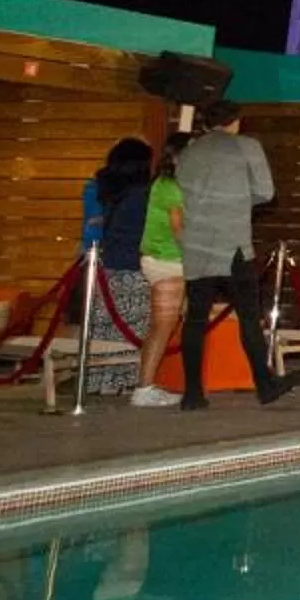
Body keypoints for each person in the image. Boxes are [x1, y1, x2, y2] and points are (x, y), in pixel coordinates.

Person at [172, 102, 300, 410]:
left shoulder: (190, 151)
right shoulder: (246, 147)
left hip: (196, 243)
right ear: (236, 122)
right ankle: (265, 383)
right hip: (233, 244)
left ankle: (192, 393)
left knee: (195, 318)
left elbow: (181, 189)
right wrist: (237, 199)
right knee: (248, 315)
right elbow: (265, 192)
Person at [88, 141, 155, 399]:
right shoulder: (142, 195)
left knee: (104, 326)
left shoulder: (108, 192)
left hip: (107, 270)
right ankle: (120, 381)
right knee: (130, 327)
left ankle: (97, 380)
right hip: (133, 268)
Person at [133, 135, 192, 406]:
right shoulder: (171, 187)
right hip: (167, 260)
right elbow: (178, 229)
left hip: (168, 259)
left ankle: (153, 385)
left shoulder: (170, 184)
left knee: (171, 324)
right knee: (163, 327)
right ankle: (144, 388)